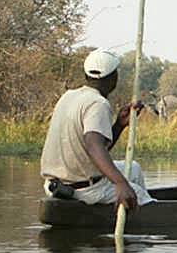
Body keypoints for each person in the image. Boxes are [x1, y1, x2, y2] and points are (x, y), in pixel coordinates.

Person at [40, 49, 154, 209]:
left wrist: (119, 125)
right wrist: (121, 184)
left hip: (56, 184)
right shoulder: (98, 103)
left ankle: (126, 214)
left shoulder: (69, 96)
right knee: (137, 195)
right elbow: (94, 147)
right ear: (113, 78)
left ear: (87, 75)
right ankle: (142, 216)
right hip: (83, 189)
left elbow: (92, 147)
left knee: (133, 168)